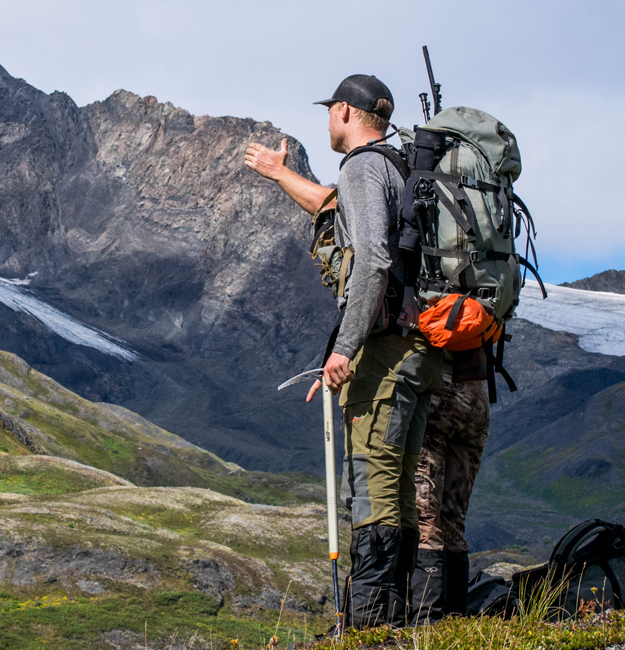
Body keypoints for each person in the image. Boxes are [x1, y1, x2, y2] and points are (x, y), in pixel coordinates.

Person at [243, 74, 443, 629]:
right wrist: (280, 172)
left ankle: (370, 624)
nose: (327, 118)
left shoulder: (360, 167)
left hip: (384, 353)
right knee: (399, 485)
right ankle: (396, 619)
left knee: (374, 483)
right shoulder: (400, 168)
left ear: (348, 113)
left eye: (331, 108)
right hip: (422, 350)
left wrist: (346, 348)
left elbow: (374, 260)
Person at [408, 375, 489, 624]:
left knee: (426, 520)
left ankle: (426, 623)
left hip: (436, 396)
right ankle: (454, 620)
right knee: (453, 520)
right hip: (476, 396)